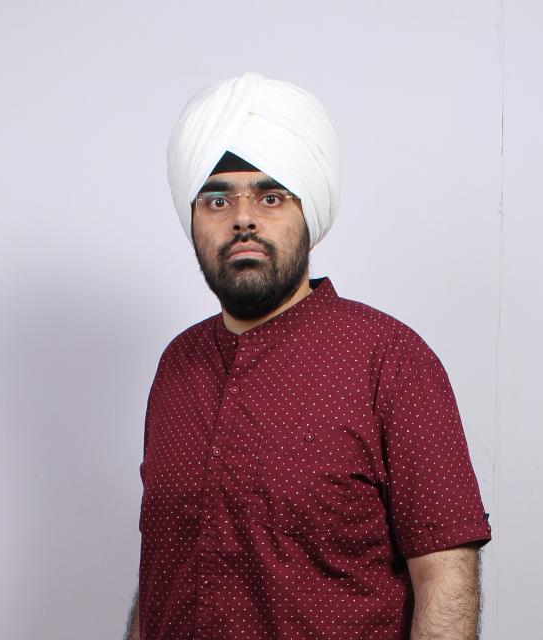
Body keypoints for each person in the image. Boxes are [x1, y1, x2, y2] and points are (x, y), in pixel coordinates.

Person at [124, 72, 492, 640]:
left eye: (270, 197)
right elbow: (160, 574)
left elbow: (445, 575)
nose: (243, 218)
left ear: (309, 219)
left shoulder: (391, 360)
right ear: (193, 221)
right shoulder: (178, 365)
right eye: (217, 199)